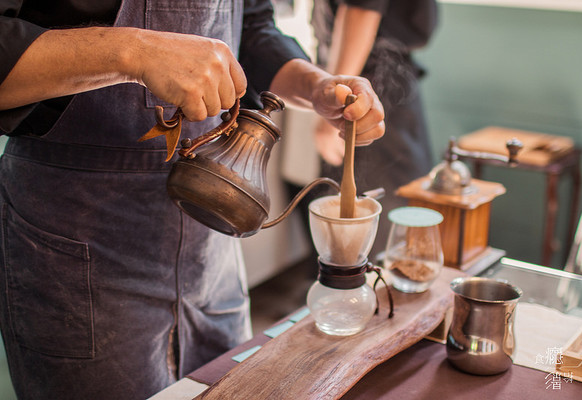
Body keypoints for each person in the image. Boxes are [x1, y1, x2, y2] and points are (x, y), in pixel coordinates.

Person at [0, 1, 384, 399]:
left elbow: (250, 27)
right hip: (78, 245)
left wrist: (316, 86)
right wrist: (135, 52)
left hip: (210, 253)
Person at [310, 0, 439, 257]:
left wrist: (334, 96)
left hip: (370, 87)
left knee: (383, 227)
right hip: (371, 80)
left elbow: (361, 9)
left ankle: (377, 292)